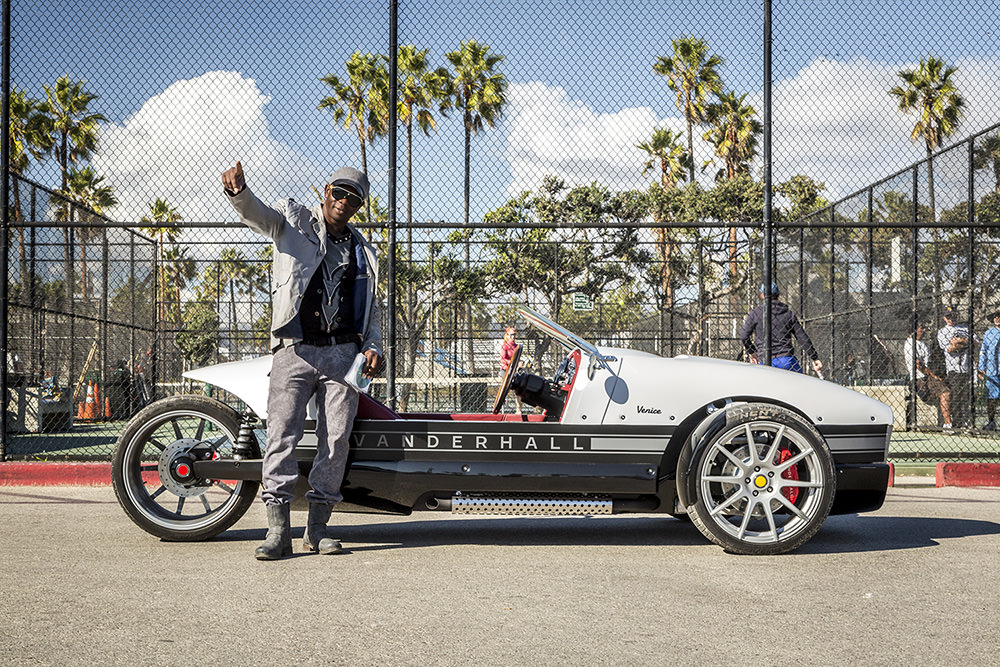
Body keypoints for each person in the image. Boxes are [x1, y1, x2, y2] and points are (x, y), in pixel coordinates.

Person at [222, 161, 382, 560]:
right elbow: (257, 215)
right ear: (325, 191)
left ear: (359, 206)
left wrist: (374, 346)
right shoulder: (292, 224)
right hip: (293, 348)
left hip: (344, 355)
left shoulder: (364, 252)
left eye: (353, 198)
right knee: (282, 435)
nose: (344, 202)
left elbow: (372, 311)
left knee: (335, 440)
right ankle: (278, 533)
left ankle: (317, 529)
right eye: (339, 192)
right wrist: (239, 193)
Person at [739, 283, 823, 375]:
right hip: (786, 360)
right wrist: (814, 357)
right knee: (799, 383)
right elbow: (802, 338)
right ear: (778, 294)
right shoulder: (788, 314)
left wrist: (752, 351)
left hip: (764, 360)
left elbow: (744, 335)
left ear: (762, 295)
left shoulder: (755, 313)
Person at [903, 322, 952, 429]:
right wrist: (933, 376)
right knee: (945, 392)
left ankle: (957, 421)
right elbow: (918, 365)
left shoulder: (923, 344)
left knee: (951, 387)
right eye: (922, 328)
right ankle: (948, 424)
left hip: (929, 377)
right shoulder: (910, 344)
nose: (924, 330)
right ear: (914, 329)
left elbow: (930, 363)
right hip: (919, 378)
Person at [937, 307, 972, 428]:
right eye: (948, 317)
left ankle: (968, 422)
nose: (951, 319)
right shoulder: (942, 332)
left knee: (968, 396)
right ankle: (957, 423)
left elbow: (975, 342)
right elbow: (949, 349)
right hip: (953, 369)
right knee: (956, 395)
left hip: (966, 367)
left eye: (952, 316)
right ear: (944, 318)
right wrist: (964, 342)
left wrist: (957, 341)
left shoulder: (965, 328)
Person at [977, 310, 1000, 430]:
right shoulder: (988, 333)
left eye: (999, 316)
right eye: (995, 316)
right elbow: (983, 351)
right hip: (992, 369)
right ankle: (991, 422)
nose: (997, 318)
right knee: (991, 397)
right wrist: (981, 367)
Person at [498, 326, 522, 413]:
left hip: (514, 370)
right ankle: (501, 408)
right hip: (505, 370)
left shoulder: (516, 346)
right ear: (507, 335)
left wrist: (520, 363)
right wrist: (512, 362)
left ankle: (518, 409)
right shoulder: (505, 346)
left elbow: (518, 358)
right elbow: (502, 359)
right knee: (505, 388)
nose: (513, 337)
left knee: (519, 388)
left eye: (515, 335)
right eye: (511, 335)